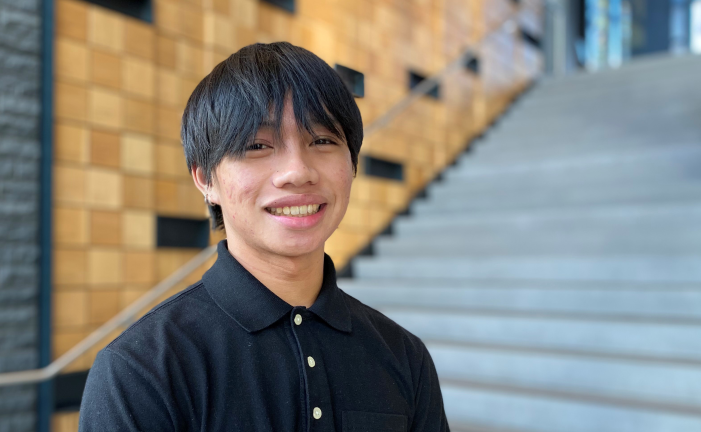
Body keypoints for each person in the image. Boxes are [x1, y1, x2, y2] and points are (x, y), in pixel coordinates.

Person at [79, 41, 449, 432]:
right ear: (206, 179)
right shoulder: (141, 371)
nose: (297, 171)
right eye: (257, 145)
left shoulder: (404, 356)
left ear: (352, 162)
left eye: (322, 141)